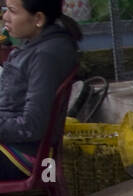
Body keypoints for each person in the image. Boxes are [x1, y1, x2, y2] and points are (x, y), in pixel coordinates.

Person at [0, 0, 80, 181]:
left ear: (38, 19)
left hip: (29, 159)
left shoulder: (45, 57)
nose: (5, 17)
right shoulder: (44, 46)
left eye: (12, 11)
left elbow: (32, 126)